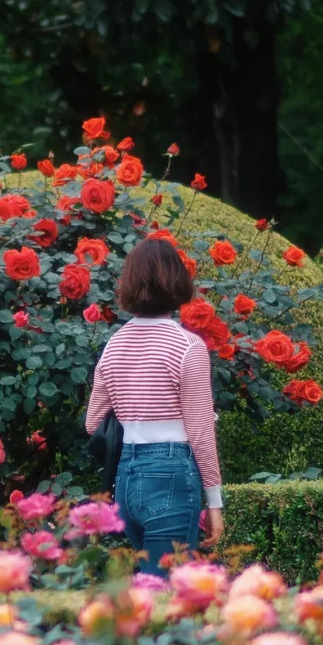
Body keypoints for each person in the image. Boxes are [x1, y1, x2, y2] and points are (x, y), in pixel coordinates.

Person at [85, 237, 224, 568]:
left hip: (127, 479)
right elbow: (201, 434)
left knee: (154, 588)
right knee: (166, 598)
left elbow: (92, 423)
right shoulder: (187, 347)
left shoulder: (114, 346)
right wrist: (215, 504)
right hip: (171, 475)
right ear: (177, 281)